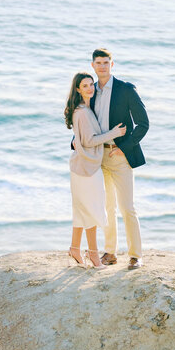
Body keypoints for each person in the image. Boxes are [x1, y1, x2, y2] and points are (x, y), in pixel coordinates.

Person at [89, 48, 149, 269]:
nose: (102, 66)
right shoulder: (90, 90)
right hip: (98, 156)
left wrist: (123, 148)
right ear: (93, 66)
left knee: (127, 207)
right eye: (98, 63)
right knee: (106, 207)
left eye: (106, 62)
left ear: (112, 65)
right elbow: (85, 122)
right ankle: (110, 253)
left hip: (120, 155)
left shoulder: (126, 90)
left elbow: (143, 124)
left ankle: (136, 255)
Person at [64, 71, 125, 268]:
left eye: (91, 84)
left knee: (82, 210)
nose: (90, 88)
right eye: (85, 86)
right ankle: (93, 255)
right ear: (78, 89)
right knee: (91, 211)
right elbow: (89, 140)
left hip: (82, 167)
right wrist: (113, 134)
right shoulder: (82, 112)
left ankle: (75, 248)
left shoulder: (84, 110)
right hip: (86, 170)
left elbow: (80, 139)